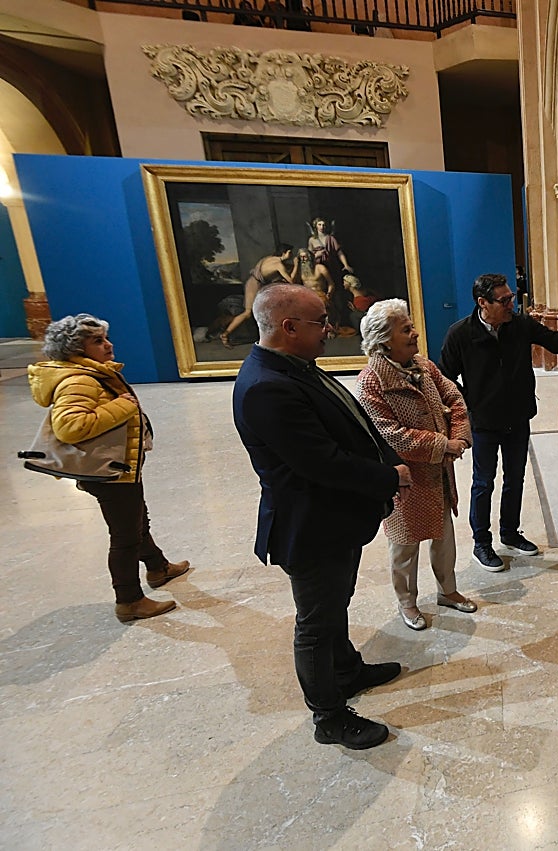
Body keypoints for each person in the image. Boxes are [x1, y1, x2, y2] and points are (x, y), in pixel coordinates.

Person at [232, 284, 411, 750]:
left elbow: (353, 423)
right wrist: (389, 476)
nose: (329, 328)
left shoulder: (295, 367)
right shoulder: (266, 386)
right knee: (315, 622)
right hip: (310, 524)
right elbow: (321, 462)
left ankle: (347, 671)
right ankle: (328, 717)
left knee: (335, 604)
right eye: (320, 321)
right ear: (288, 327)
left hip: (334, 518)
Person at [440, 272, 558, 571]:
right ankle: (482, 543)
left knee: (515, 479)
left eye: (511, 297)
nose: (511, 304)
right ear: (482, 303)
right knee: (483, 482)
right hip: (484, 423)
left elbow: (557, 341)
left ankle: (510, 533)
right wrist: (468, 405)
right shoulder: (460, 334)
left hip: (517, 417)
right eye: (504, 300)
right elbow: (444, 381)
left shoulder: (520, 325)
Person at [28, 314, 189, 623]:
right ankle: (128, 600)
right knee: (126, 535)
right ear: (76, 348)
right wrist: (123, 406)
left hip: (118, 468)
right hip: (107, 472)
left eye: (105, 338)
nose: (108, 344)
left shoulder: (92, 373)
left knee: (137, 520)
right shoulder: (79, 379)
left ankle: (158, 567)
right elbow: (70, 426)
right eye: (97, 341)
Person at [354, 299, 477, 631]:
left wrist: (460, 438)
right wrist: (443, 445)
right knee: (404, 546)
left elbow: (454, 397)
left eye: (412, 326)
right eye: (405, 329)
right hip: (405, 480)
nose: (415, 333)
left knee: (444, 537)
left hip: (438, 472)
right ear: (384, 341)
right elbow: (393, 435)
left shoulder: (423, 365)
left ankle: (447, 591)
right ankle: (407, 603)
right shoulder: (371, 383)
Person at [221, 244, 297, 348]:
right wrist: (296, 265)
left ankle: (271, 337)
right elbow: (291, 281)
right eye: (290, 252)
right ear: (284, 252)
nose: (292, 254)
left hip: (256, 284)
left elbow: (267, 274)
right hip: (255, 285)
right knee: (247, 313)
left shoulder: (268, 258)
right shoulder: (278, 264)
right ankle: (225, 334)